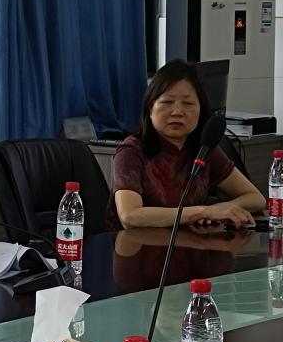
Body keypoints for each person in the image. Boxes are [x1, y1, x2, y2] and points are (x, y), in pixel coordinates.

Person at [107, 60, 265, 230]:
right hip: (134, 244)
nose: (177, 112)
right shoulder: (131, 152)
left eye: (188, 104)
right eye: (167, 102)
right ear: (150, 109)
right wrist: (203, 212)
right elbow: (130, 216)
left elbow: (255, 198)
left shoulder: (203, 149)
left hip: (187, 242)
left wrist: (219, 209)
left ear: (201, 110)